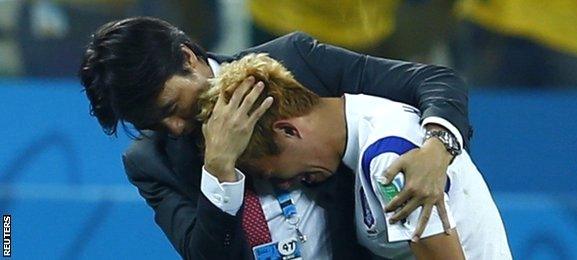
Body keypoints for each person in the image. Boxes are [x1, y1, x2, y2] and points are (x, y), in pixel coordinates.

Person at [78, 17, 472, 259]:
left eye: (169, 108)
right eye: (154, 124)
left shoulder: (293, 63)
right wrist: (217, 172)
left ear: (187, 58)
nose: (176, 129)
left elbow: (432, 81)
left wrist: (438, 146)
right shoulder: (151, 161)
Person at [198, 53, 512, 259]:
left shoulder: (388, 162)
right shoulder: (373, 124)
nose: (285, 184)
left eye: (271, 172)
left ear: (288, 131)